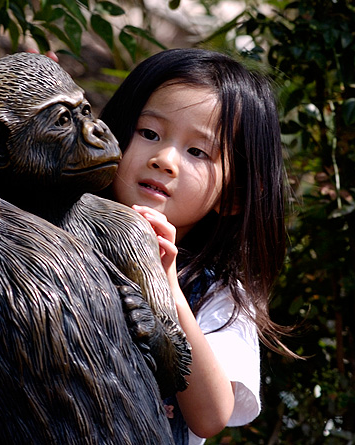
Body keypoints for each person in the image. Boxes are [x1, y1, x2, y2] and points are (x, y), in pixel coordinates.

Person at [99, 48, 293, 445]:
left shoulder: (220, 297)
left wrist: (165, 283)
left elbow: (210, 416)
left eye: (197, 152)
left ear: (233, 196)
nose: (164, 159)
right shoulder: (61, 232)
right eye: (148, 133)